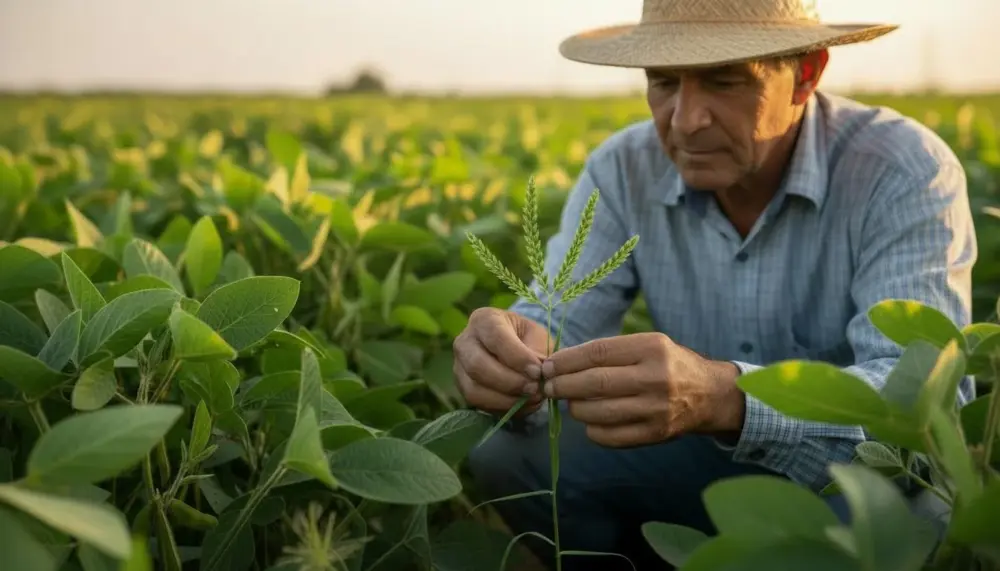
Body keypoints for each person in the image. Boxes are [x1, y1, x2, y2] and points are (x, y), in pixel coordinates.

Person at [452, 0, 978, 569]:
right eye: (663, 82)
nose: (685, 120)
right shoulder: (624, 168)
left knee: (909, 515)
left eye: (724, 81)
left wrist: (728, 398)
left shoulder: (901, 169)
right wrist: (515, 353)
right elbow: (558, 316)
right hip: (693, 455)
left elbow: (925, 413)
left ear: (806, 73)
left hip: (848, 478)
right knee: (507, 451)